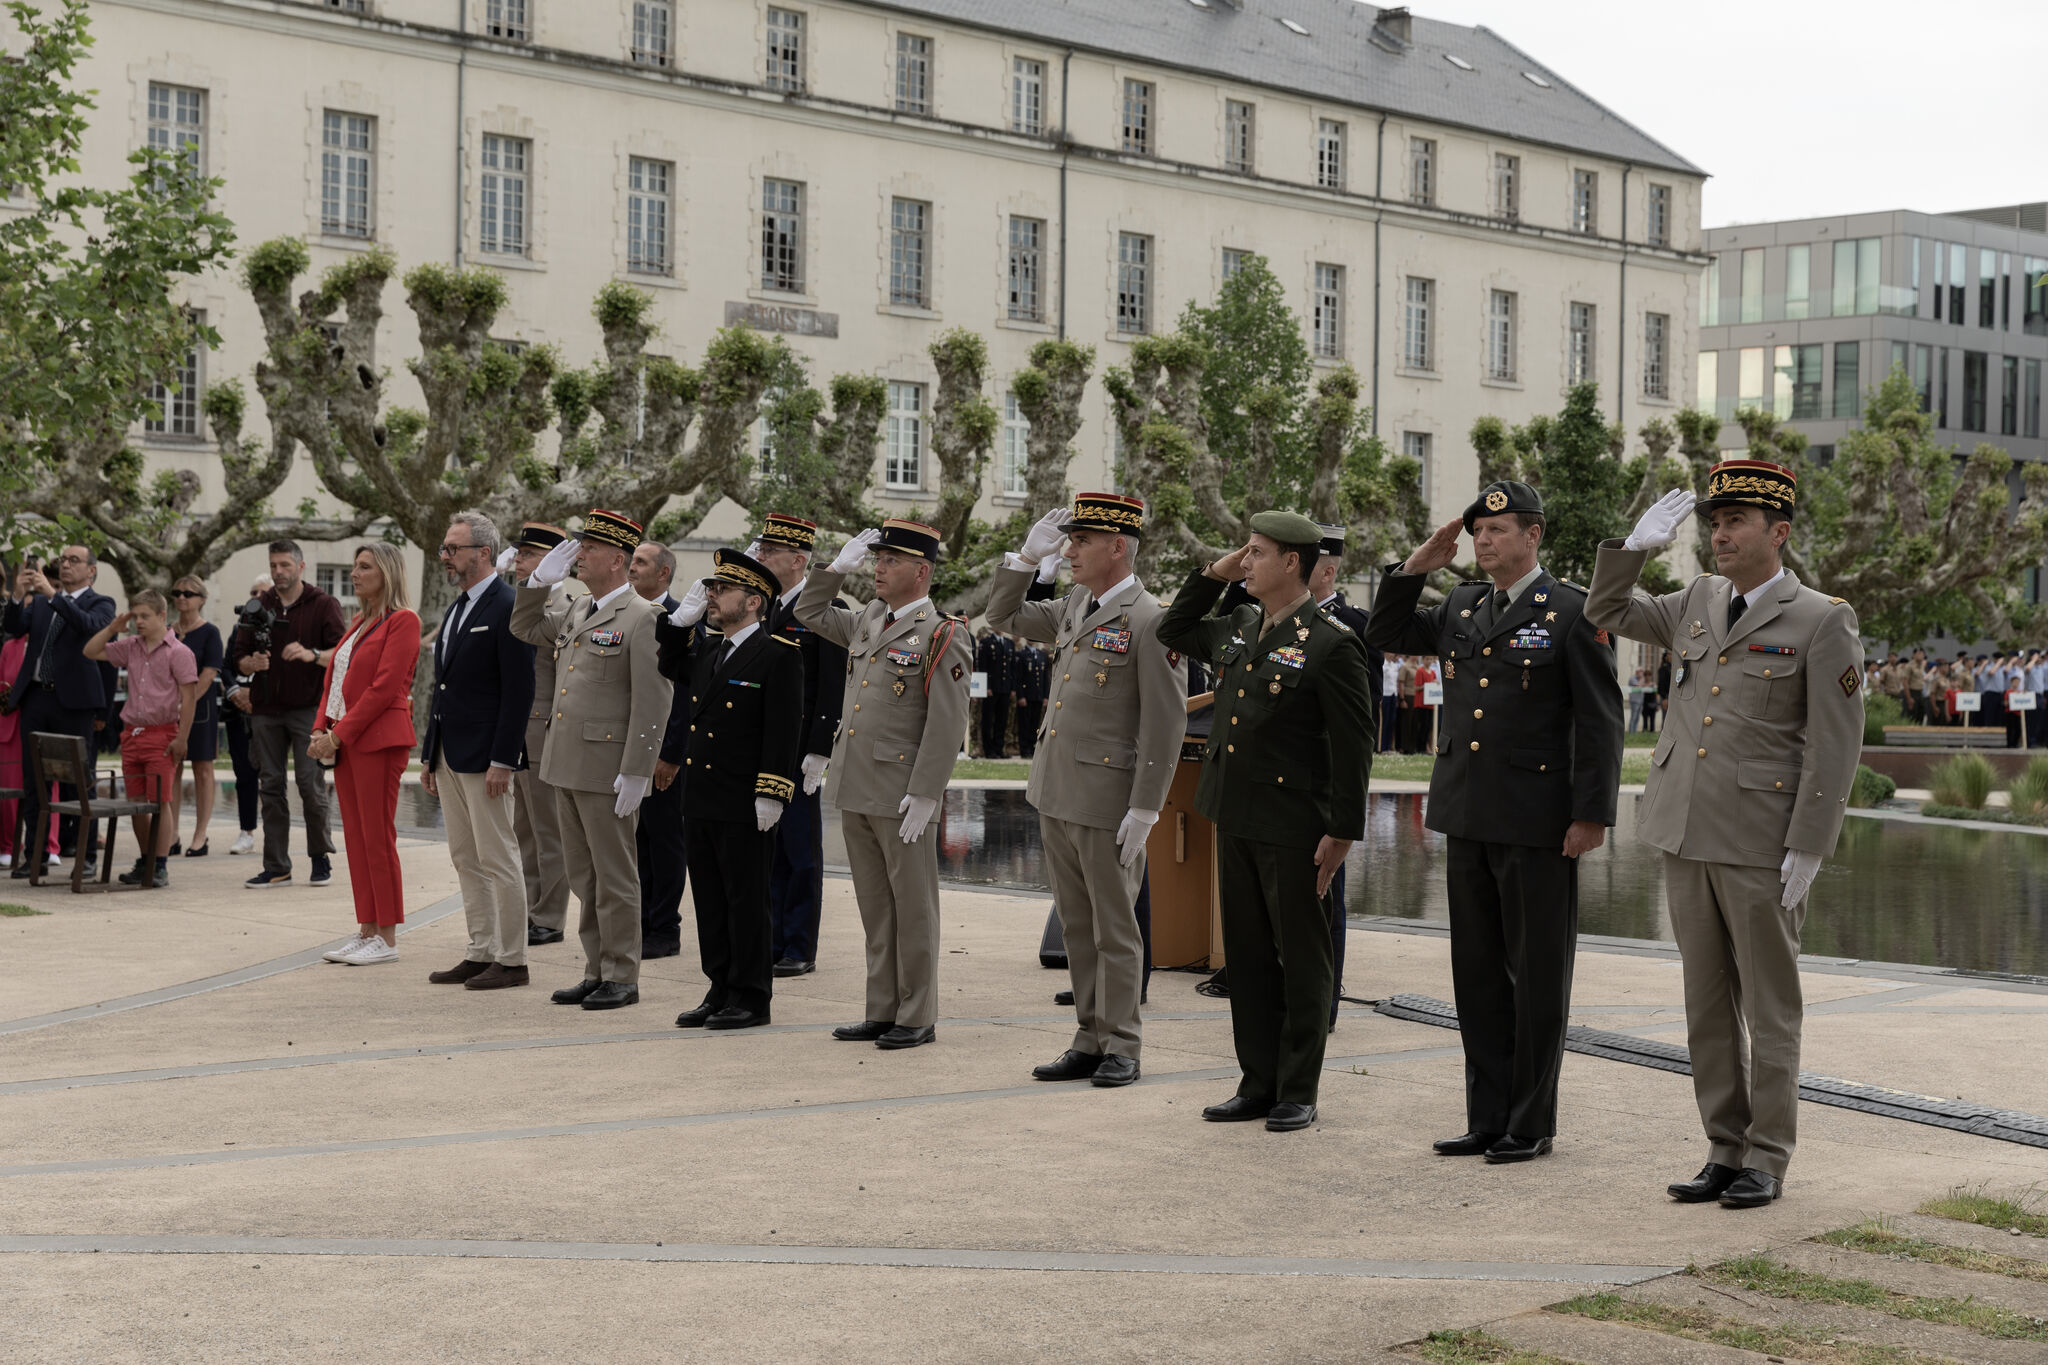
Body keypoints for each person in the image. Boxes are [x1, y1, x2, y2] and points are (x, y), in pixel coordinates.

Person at [1589, 467, 1863, 1209]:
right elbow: (1608, 608)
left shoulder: (1820, 618)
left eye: (1738, 520)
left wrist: (1812, 839)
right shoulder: (1699, 600)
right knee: (1706, 1005)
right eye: (1716, 520)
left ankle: (1767, 1156)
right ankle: (1723, 1146)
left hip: (1761, 840)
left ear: (1779, 532)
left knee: (1771, 1008)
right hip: (1686, 830)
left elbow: (1835, 745)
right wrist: (1633, 548)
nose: (1721, 532)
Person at [1369, 481, 1624, 1164]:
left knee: (1537, 976)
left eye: (1499, 530)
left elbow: (1601, 721)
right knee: (1477, 973)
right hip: (1468, 813)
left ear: (1533, 535)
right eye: (1478, 531)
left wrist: (1591, 813)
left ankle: (1530, 1120)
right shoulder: (1460, 603)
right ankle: (1486, 1116)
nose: (1484, 542)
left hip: (1539, 820)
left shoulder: (1571, 610)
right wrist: (1415, 567)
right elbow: (1386, 631)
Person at [1157, 510, 1374, 1132]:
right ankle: (1257, 1081)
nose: (1244, 562)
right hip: (1235, 813)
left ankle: (1298, 1088)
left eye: (1256, 553)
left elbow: (1354, 744)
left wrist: (1343, 831)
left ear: (1291, 564)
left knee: (1302, 958)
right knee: (1247, 957)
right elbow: (1173, 627)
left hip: (1294, 824)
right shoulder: (1242, 625)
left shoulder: (1331, 643)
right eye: (1244, 553)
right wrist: (1216, 570)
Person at [988, 494, 1186, 1087]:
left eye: (1081, 542)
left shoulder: (1151, 620)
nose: (1069, 550)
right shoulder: (1077, 602)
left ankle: (1123, 1043)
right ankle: (1088, 1036)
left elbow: (1166, 722)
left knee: (1114, 928)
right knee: (1076, 924)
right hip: (1057, 790)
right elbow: (1004, 616)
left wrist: (1147, 807)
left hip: (1107, 799)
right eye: (1069, 541)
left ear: (1117, 547)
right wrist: (1025, 559)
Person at [794, 519, 972, 1051]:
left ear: (921, 571)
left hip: (902, 794)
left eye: (889, 560)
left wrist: (925, 792)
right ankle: (882, 1008)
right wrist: (834, 570)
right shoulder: (869, 616)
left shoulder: (943, 633)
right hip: (856, 784)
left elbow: (946, 723)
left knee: (913, 908)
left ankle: (917, 1014)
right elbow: (807, 613)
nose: (879, 568)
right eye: (876, 559)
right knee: (876, 907)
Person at [511, 509, 671, 1011]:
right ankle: (596, 967)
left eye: (590, 549)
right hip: (565, 762)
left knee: (615, 875)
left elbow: (653, 700)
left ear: (617, 560)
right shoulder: (579, 610)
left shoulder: (645, 618)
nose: (579, 554)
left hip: (608, 769)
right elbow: (524, 626)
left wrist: (637, 769)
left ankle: (623, 974)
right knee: (584, 875)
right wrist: (538, 582)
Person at [659, 548, 803, 1030]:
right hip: (701, 795)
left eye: (724, 590)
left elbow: (783, 732)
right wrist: (681, 621)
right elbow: (668, 661)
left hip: (745, 800)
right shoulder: (707, 650)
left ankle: (752, 996)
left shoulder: (778, 656)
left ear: (756, 602)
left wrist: (772, 792)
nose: (713, 596)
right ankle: (719, 987)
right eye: (712, 589)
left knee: (746, 901)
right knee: (710, 900)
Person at [422, 511, 537, 991]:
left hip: (487, 755)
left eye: (453, 548)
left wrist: (503, 759)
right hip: (450, 751)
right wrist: (430, 754)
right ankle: (480, 950)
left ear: (483, 553)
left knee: (499, 856)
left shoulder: (508, 605)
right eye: (446, 548)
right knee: (465, 857)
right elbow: (442, 686)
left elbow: (519, 690)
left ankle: (512, 960)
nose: (445, 556)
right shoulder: (456, 609)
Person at [305, 544, 420, 962]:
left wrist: (337, 736)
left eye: (364, 567)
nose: (354, 574)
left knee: (377, 836)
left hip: (378, 739)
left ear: (386, 573)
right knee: (355, 837)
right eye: (354, 566)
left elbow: (384, 688)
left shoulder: (403, 621)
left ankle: (385, 938)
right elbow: (335, 681)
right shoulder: (359, 622)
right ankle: (366, 928)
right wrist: (321, 726)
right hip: (349, 740)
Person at [753, 513, 846, 979]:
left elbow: (832, 684)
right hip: (766, 743)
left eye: (769, 552)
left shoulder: (827, 607)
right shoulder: (764, 606)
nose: (761, 557)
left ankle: (799, 945)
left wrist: (820, 747)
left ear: (797, 559)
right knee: (768, 849)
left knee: (800, 852)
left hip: (800, 749)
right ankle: (773, 939)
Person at [232, 541, 346, 889]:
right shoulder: (259, 605)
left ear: (301, 566)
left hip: (308, 710)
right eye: (274, 565)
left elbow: (343, 657)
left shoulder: (324, 604)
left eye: (285, 564)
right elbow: (237, 656)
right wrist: (249, 664)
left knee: (310, 786)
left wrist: (312, 654)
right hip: (265, 710)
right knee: (271, 788)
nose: (279, 571)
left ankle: (319, 857)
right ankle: (277, 866)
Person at [3, 544, 116, 880]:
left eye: (73, 561)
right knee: (35, 781)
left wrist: (53, 594)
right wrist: (15, 595)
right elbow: (13, 626)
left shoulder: (101, 603)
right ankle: (34, 856)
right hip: (36, 698)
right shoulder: (40, 603)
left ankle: (87, 857)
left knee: (80, 783)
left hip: (75, 703)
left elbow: (86, 627)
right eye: (61, 561)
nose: (65, 565)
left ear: (91, 570)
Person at [84, 591, 201, 889]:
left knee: (160, 802)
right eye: (135, 616)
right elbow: (91, 651)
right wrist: (113, 627)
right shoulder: (131, 647)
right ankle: (145, 858)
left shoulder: (179, 652)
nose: (138, 622)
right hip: (132, 734)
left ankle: (160, 864)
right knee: (136, 802)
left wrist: (181, 738)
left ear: (162, 616)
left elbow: (189, 700)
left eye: (144, 616)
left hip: (162, 734)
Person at [506, 524, 588, 945]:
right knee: (524, 828)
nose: (519, 561)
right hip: (518, 729)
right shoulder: (519, 601)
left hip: (545, 728)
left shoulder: (571, 605)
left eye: (527, 555)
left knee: (549, 832)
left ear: (553, 560)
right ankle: (530, 905)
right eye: (518, 554)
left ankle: (550, 917)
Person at [628, 538, 690, 961]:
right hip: (630, 749)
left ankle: (665, 928)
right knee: (636, 842)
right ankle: (642, 921)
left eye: (640, 562)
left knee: (664, 842)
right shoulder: (630, 614)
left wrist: (669, 754)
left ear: (663, 573)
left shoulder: (682, 619)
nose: (631, 568)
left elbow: (684, 694)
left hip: (663, 755)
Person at [168, 577, 223, 858]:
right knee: (172, 769)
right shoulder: (168, 631)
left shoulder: (210, 632)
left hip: (200, 709)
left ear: (202, 598)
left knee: (202, 769)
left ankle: (200, 835)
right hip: (169, 709)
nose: (181, 598)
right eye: (177, 593)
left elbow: (209, 673)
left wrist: (185, 702)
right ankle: (172, 832)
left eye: (188, 593)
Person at [223, 576, 270, 856]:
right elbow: (226, 665)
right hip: (238, 708)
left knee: (271, 774)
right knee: (244, 773)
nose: (254, 597)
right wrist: (235, 692)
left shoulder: (280, 628)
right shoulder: (238, 629)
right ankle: (246, 831)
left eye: (261, 593)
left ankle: (275, 831)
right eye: (251, 592)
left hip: (268, 709)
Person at [975, 626, 1014, 758]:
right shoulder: (986, 642)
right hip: (991, 688)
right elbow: (982, 665)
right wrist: (986, 686)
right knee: (988, 719)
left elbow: (1011, 667)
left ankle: (999, 748)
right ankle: (988, 749)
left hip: (1005, 687)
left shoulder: (1009, 643)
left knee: (1002, 720)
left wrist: (1012, 687)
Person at [1380, 652, 1403, 752]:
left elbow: (1395, 682)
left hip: (1394, 695)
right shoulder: (1383, 665)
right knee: (1385, 722)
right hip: (1386, 694)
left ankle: (1389, 746)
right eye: (1389, 653)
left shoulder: (1395, 666)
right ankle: (1383, 746)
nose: (1391, 654)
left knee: (1391, 721)